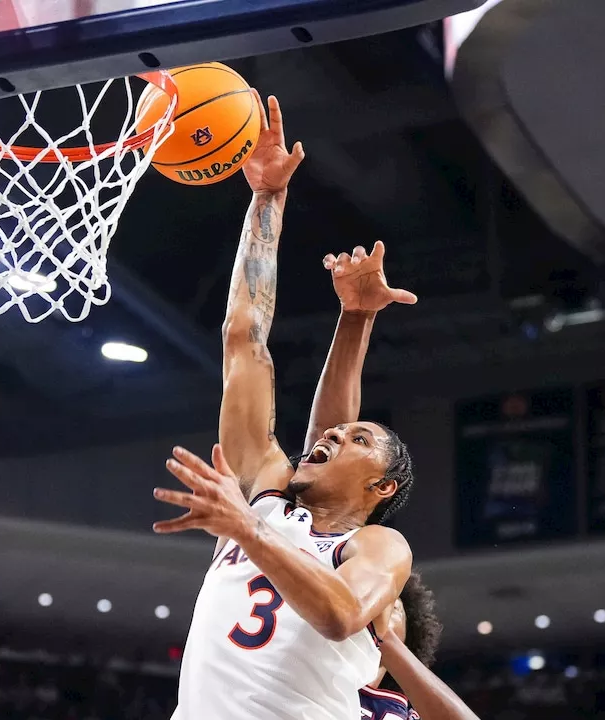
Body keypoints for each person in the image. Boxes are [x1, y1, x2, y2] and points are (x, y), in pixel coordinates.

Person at [153, 91, 419, 720]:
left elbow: (339, 614)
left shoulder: (379, 548)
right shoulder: (268, 493)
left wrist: (244, 526)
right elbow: (244, 338)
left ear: (382, 485)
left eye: (359, 441)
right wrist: (266, 200)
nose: (329, 438)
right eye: (334, 435)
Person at [362, 572, 481, 720]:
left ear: (409, 632)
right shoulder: (325, 682)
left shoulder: (406, 714)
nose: (377, 614)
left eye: (392, 607)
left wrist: (382, 638)